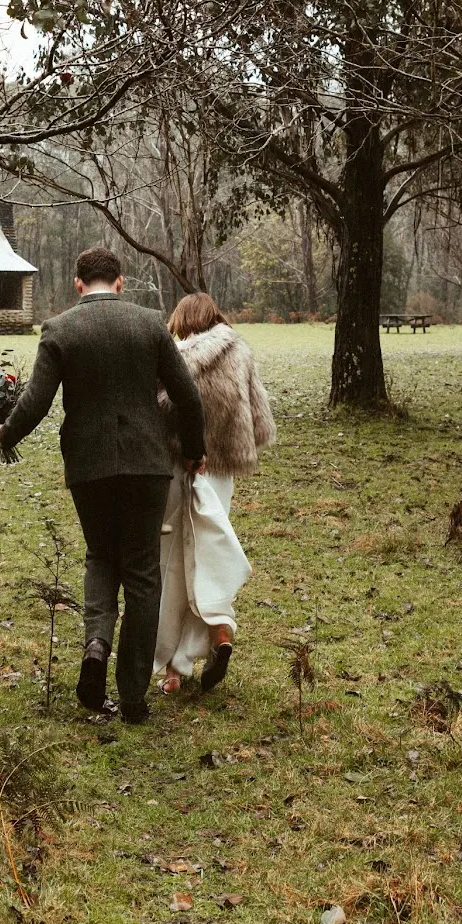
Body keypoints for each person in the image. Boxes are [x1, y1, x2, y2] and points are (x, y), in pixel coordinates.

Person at [0, 246, 206, 724]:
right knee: (142, 572)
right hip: (148, 465)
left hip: (89, 466)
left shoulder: (60, 330)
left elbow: (36, 402)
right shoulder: (150, 324)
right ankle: (133, 696)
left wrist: (6, 435)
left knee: (100, 556)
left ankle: (96, 644)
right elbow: (188, 397)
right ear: (121, 281)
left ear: (77, 284)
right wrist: (194, 450)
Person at [155, 294, 276, 694]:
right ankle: (220, 633)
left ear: (182, 321)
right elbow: (260, 422)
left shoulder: (172, 358)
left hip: (177, 468)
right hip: (221, 473)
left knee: (172, 564)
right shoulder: (239, 351)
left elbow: (157, 413)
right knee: (209, 551)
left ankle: (174, 668)